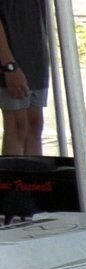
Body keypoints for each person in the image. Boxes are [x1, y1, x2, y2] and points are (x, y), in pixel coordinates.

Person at [0, 0, 48, 155]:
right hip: (9, 55)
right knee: (18, 125)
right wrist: (8, 65)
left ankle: (35, 178)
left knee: (35, 123)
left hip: (34, 51)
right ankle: (13, 179)